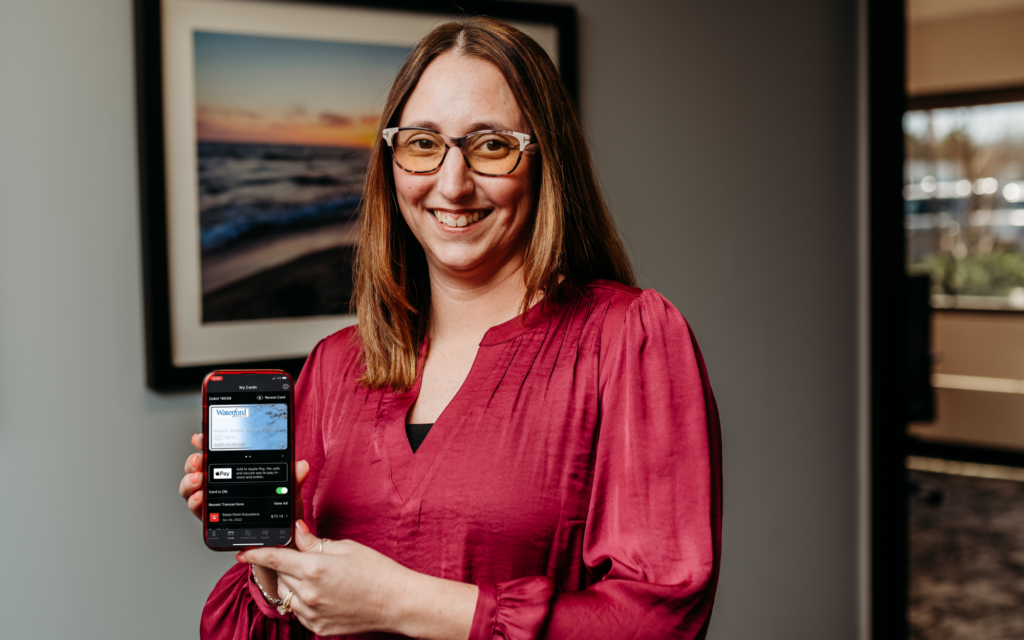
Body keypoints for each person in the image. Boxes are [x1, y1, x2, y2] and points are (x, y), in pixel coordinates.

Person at [179, 17, 721, 640]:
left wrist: (401, 603)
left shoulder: (628, 339)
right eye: (422, 143)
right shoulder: (334, 366)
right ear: (391, 161)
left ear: (546, 160)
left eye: (491, 146)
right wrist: (279, 567)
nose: (453, 184)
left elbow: (657, 621)